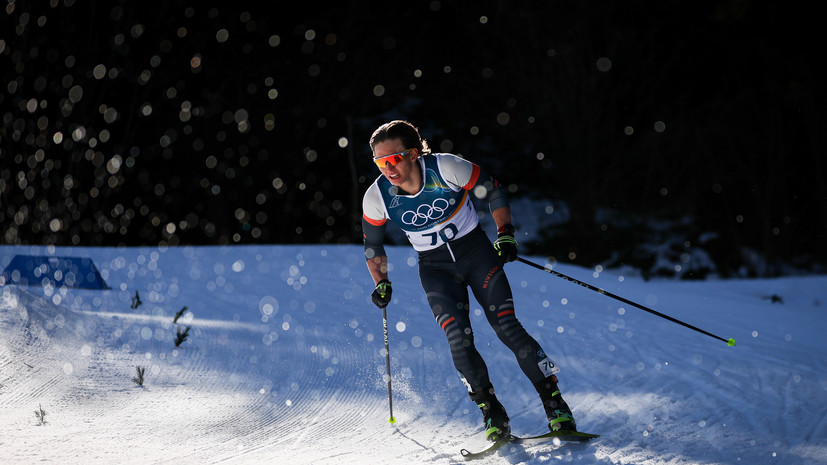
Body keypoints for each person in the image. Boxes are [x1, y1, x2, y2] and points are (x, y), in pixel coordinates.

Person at [361, 120, 577, 441]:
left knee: (506, 326)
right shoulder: (377, 196)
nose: (388, 168)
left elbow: (493, 189)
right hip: (435, 271)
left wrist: (505, 234)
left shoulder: (445, 167)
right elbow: (373, 245)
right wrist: (381, 281)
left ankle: (555, 404)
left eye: (395, 158)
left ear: (415, 153)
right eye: (381, 161)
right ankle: (491, 412)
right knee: (458, 340)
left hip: (477, 256)